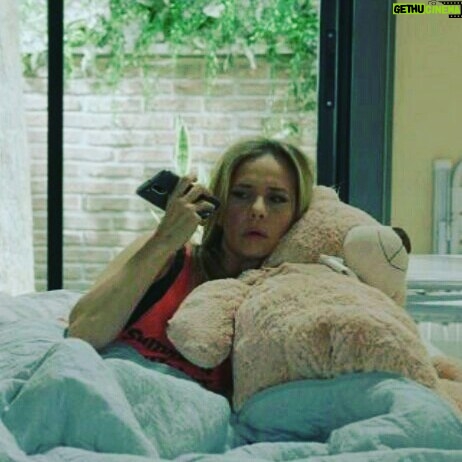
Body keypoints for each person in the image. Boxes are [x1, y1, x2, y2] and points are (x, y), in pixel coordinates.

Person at [68, 137, 315, 395]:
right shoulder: (168, 258)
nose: (257, 210)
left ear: (297, 217)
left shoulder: (283, 300)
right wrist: (163, 240)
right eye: (241, 194)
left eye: (276, 199)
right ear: (218, 206)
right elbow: (82, 333)